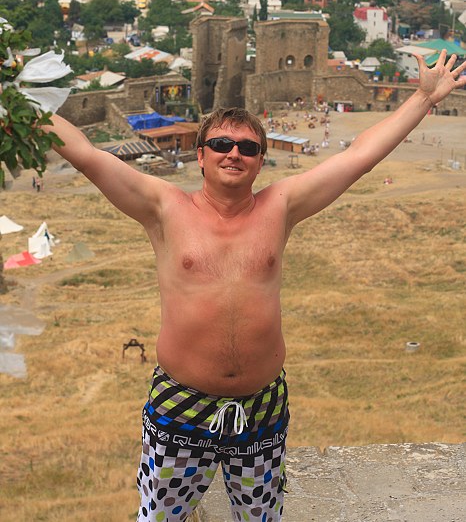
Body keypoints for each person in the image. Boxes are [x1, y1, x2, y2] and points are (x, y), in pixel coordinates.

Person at [43, 50, 465, 522]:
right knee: (160, 516)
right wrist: (19, 101)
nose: (233, 153)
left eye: (247, 148)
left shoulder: (280, 206)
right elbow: (86, 155)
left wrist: (423, 98)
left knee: (260, 518)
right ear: (201, 155)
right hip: (181, 405)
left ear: (261, 161)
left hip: (262, 408)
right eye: (221, 143)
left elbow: (359, 157)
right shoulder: (164, 207)